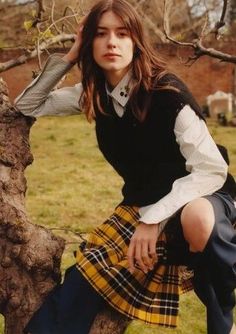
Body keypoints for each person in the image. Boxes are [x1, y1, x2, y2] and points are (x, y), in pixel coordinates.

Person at [14, 0, 236, 333]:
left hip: (202, 194)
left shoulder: (167, 93)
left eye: (122, 33)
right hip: (141, 204)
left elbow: (211, 170)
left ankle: (223, 321)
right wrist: (71, 55)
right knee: (81, 284)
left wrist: (153, 219)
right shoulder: (94, 94)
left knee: (198, 218)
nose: (112, 42)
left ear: (136, 42)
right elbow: (27, 104)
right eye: (100, 34)